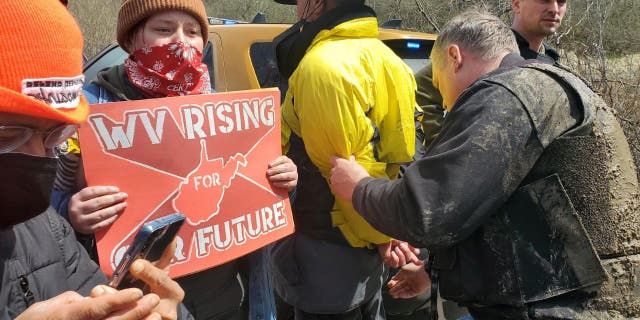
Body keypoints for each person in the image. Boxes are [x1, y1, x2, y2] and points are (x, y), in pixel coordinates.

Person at [330, 9, 640, 320]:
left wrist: (357, 186)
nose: (447, 104)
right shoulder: (545, 85)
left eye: (439, 86)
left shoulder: (507, 95)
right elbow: (509, 217)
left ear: (455, 57)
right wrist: (433, 272)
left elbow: (425, 211)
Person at [50, 0, 298, 319]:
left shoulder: (222, 110)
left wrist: (283, 181)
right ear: (133, 38)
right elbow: (49, 211)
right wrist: (72, 213)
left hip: (220, 294)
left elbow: (257, 202)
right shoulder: (91, 110)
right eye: (164, 30)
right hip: (139, 300)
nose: (181, 40)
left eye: (192, 31)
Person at [0, 1, 189, 319]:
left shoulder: (46, 227)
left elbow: (100, 295)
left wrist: (145, 306)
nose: (37, 157)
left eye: (56, 135)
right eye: (6, 136)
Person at [270, 0, 422, 319]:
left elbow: (341, 172)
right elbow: (399, 157)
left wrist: (383, 236)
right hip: (370, 238)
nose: (297, 9)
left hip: (327, 251)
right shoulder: (390, 60)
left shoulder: (321, 66)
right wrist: (387, 232)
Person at [511, 0, 566, 64]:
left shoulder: (552, 58)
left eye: (561, 1)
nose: (555, 9)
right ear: (517, 5)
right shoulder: (500, 58)